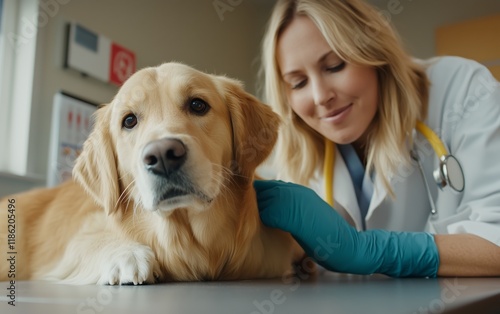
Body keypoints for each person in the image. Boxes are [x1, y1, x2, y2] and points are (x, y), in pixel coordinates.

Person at [254, 0, 500, 277]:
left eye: (335, 66)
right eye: (298, 83)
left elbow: (496, 237)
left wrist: (373, 250)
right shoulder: (292, 159)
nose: (321, 96)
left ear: (373, 50)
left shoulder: (460, 90)